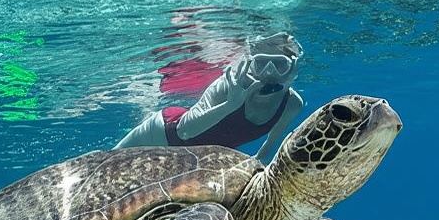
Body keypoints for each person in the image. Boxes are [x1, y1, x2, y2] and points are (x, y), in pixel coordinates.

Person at [114, 32, 305, 162]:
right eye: (261, 63)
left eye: (280, 65)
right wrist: (231, 105)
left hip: (196, 160)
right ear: (250, 64)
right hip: (163, 134)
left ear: (293, 69)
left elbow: (265, 151)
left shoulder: (291, 104)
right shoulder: (229, 86)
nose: (269, 73)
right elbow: (184, 131)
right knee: (106, 163)